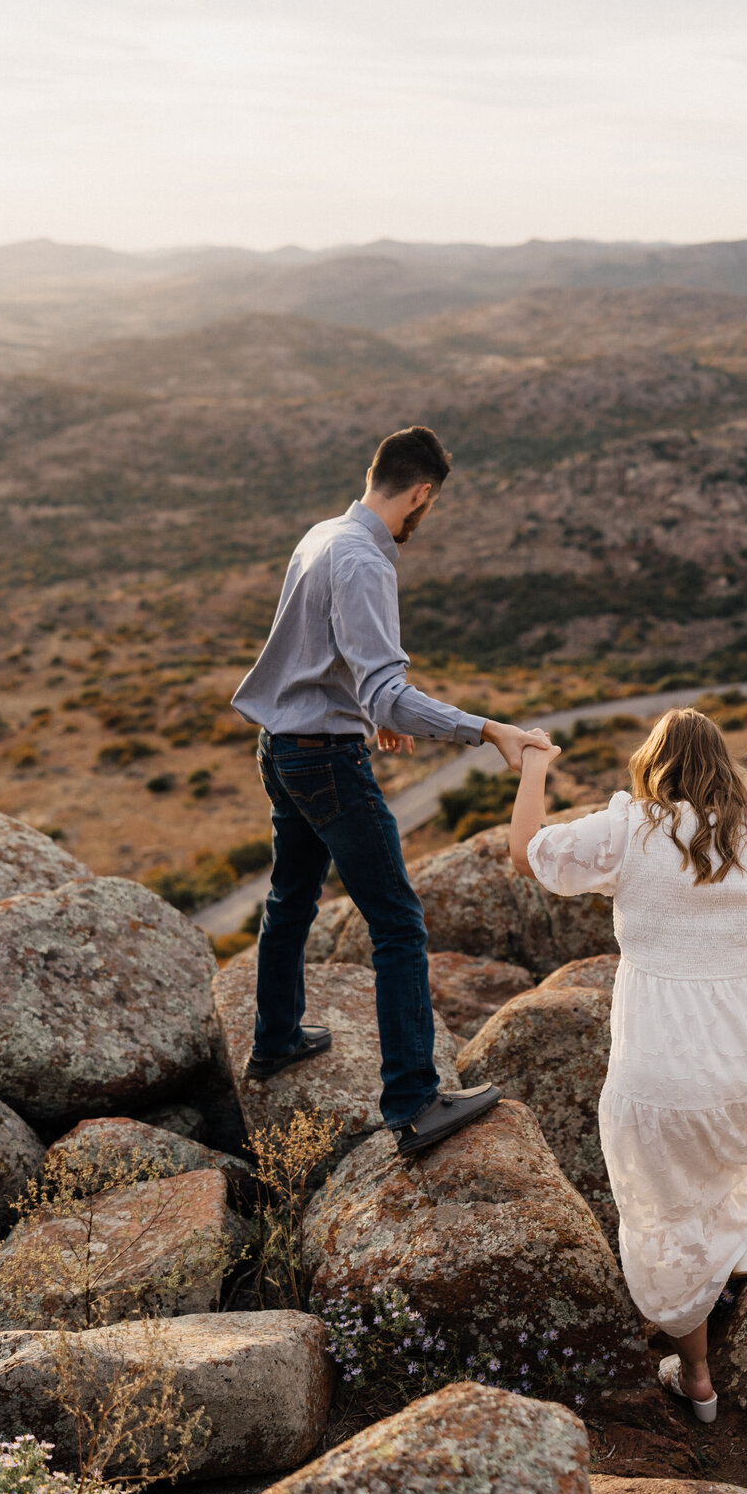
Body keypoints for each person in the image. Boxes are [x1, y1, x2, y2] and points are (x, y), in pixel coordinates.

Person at [508, 706, 747, 1421]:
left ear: (651, 765)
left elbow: (529, 853)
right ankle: (711, 1290)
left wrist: (535, 765)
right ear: (724, 764)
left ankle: (696, 1375)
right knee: (719, 1182)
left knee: (664, 1212)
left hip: (659, 1066)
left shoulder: (629, 830)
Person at [232, 423, 551, 1154]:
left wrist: (364, 710)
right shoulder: (364, 562)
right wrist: (488, 730)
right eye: (425, 507)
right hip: (325, 763)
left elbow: (323, 655)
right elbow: (385, 689)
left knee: (291, 897)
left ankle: (275, 1038)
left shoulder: (322, 535)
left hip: (281, 746)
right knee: (399, 925)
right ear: (421, 493)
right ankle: (413, 1101)